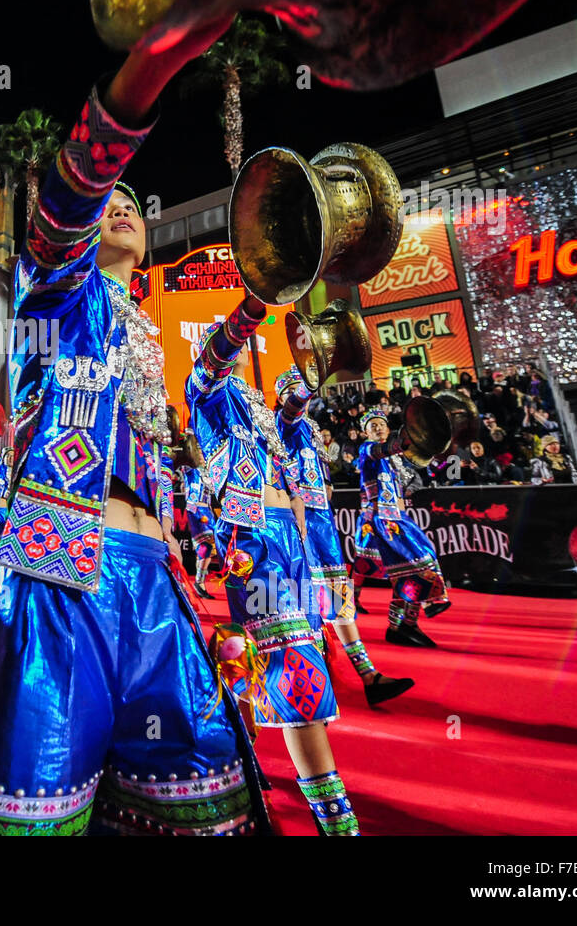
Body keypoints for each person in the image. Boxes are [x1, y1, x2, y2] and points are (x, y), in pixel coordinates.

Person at [0, 47, 270, 836]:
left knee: (198, 806)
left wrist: (265, 286)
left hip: (156, 577)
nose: (120, 204)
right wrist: (148, 72)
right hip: (57, 566)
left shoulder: (147, 335)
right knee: (37, 808)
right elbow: (64, 212)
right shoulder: (54, 290)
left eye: (132, 200)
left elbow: (215, 369)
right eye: (108, 199)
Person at [188, 309, 358, 835]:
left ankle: (235, 755)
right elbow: (210, 367)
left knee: (253, 658)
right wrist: (250, 309)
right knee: (296, 669)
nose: (236, 351)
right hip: (254, 541)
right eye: (231, 344)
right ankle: (337, 822)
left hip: (293, 540)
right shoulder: (208, 397)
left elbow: (294, 410)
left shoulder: (262, 411)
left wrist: (315, 367)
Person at [274, 367, 413, 707]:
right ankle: (310, 681)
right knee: (306, 602)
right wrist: (312, 376)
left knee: (340, 603)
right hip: (299, 522)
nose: (301, 396)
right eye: (294, 390)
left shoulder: (310, 429)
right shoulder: (283, 422)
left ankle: (368, 677)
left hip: (323, 523)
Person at [353, 409, 451, 648]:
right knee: (418, 561)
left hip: (397, 519)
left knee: (405, 572)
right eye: (372, 425)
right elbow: (379, 450)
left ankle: (402, 625)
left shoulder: (394, 461)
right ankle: (421, 607)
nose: (378, 428)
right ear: (365, 432)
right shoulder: (367, 451)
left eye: (381, 424)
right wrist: (406, 441)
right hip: (379, 521)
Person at [180, 459, 218, 599]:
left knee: (207, 547)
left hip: (207, 509)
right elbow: (184, 461)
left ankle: (199, 582)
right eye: (198, 452)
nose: (201, 455)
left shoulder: (210, 469)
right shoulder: (192, 469)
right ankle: (199, 582)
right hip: (196, 509)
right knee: (206, 543)